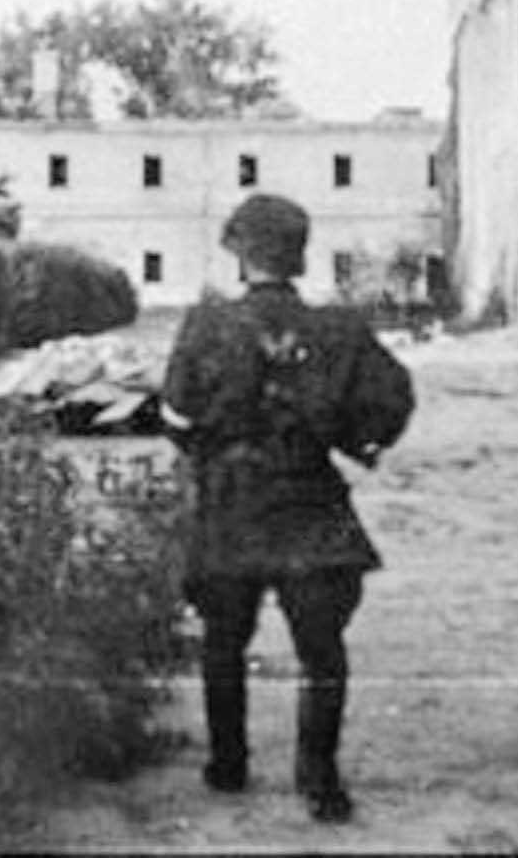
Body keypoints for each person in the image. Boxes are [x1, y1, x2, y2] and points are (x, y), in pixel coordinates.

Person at [161, 193, 414, 824]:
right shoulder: (340, 329)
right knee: (322, 647)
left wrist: (202, 448)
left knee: (223, 639)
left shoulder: (205, 324)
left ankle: (228, 764)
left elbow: (175, 407)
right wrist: (362, 440)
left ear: (239, 255)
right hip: (309, 498)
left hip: (232, 499)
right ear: (299, 254)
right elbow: (394, 398)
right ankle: (321, 779)